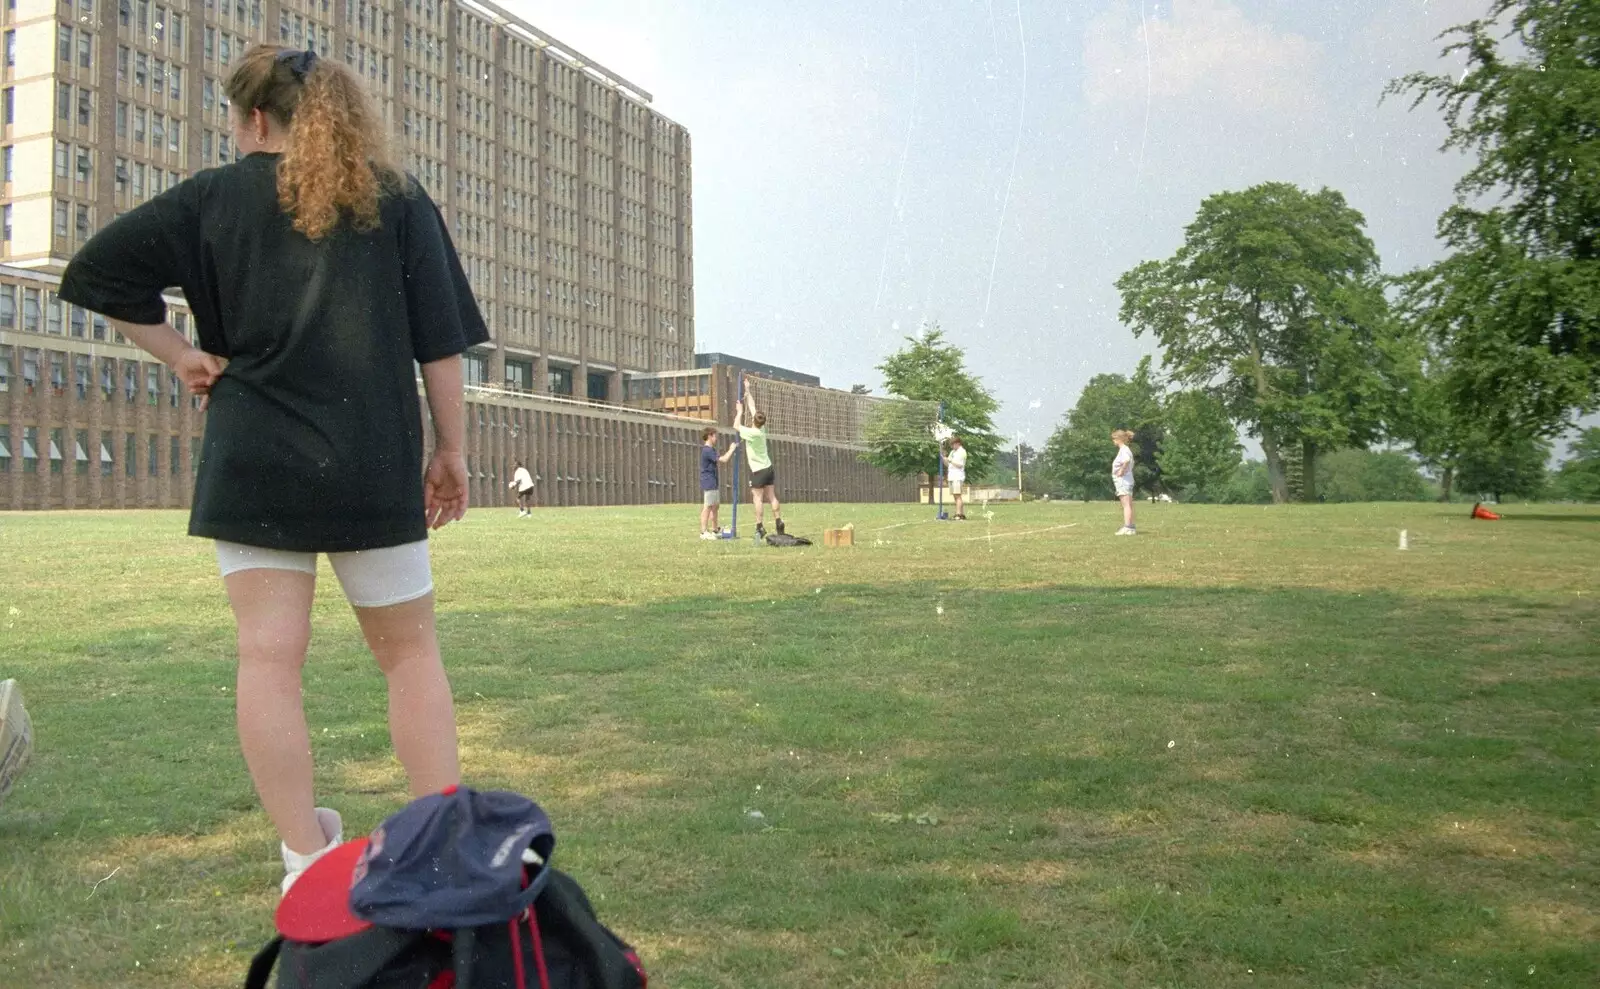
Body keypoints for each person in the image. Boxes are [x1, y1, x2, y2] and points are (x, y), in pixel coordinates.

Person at [57, 45, 485, 892]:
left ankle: (303, 860)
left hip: (253, 456)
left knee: (267, 659)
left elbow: (94, 273)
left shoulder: (212, 198)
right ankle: (440, 849)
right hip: (372, 459)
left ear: (255, 119)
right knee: (410, 656)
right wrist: (452, 450)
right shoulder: (395, 200)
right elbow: (440, 341)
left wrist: (182, 354)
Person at [734, 381, 783, 540]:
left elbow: (736, 426)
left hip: (758, 470)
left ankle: (759, 526)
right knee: (772, 497)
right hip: (768, 468)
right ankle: (779, 522)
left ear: (754, 420)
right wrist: (747, 390)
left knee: (758, 498)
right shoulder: (761, 428)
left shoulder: (752, 433)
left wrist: (739, 412)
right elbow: (752, 406)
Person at [698, 426, 739, 540]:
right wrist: (731, 449)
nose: (716, 438)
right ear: (710, 436)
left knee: (715, 506)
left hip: (714, 481)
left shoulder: (711, 449)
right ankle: (703, 532)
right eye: (715, 435)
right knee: (708, 506)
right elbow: (724, 459)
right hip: (709, 481)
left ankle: (715, 529)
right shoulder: (707, 450)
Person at [1112, 429, 1137, 535]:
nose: (1113, 441)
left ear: (1118, 439)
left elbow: (1126, 460)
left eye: (1113, 439)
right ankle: (1130, 526)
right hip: (1127, 480)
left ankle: (1128, 527)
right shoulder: (1125, 449)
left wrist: (1121, 470)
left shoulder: (1124, 450)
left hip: (1123, 480)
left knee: (1126, 505)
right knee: (1128, 505)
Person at [941, 435, 968, 520]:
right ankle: (960, 514)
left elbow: (960, 465)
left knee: (958, 495)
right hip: (951, 476)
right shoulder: (953, 452)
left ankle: (958, 514)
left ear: (958, 443)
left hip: (958, 476)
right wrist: (943, 458)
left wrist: (950, 460)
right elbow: (948, 464)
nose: (952, 446)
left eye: (953, 444)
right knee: (955, 496)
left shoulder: (962, 452)